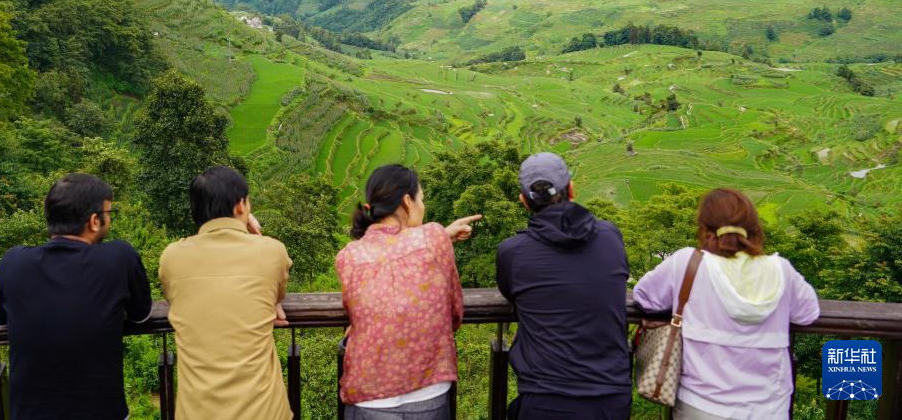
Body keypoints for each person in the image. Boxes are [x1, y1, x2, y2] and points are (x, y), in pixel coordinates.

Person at [633, 188, 820, 419]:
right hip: (768, 409)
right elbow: (808, 313)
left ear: (704, 229)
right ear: (753, 230)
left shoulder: (688, 263)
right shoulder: (780, 270)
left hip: (699, 407)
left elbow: (644, 297)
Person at [0, 173, 152, 420]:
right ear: (94, 221)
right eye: (109, 214)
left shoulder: (13, 262)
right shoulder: (120, 258)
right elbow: (141, 316)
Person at [337, 164, 481, 419]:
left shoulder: (349, 255)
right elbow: (455, 313)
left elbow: (357, 311)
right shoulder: (433, 238)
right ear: (407, 201)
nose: (423, 207)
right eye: (421, 199)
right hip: (427, 392)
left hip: (368, 396)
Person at [496, 152, 632, 420]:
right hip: (611, 399)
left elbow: (510, 292)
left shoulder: (512, 252)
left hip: (545, 398)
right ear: (571, 189)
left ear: (524, 202)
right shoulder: (610, 236)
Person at [159, 165, 292, 420]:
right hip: (263, 412)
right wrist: (254, 231)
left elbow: (174, 296)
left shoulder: (172, 257)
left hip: (198, 413)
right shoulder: (272, 252)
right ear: (240, 206)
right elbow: (276, 290)